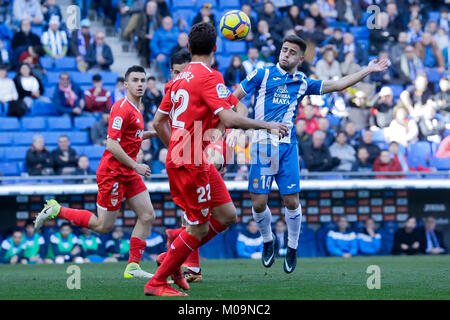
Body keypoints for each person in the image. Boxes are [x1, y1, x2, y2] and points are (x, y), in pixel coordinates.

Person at [149, 22, 287, 296]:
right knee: (198, 228)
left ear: (189, 49)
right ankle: (157, 281)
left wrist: (177, 147)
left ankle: (177, 246)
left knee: (227, 215)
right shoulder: (210, 77)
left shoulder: (177, 79)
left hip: (189, 157)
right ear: (215, 48)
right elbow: (228, 117)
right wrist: (266, 125)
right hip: (190, 161)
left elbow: (157, 122)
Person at [231, 33, 388, 271]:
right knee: (259, 203)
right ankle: (268, 240)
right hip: (262, 145)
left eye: (292, 52)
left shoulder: (303, 82)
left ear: (300, 59)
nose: (286, 54)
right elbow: (234, 97)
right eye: (284, 49)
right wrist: (228, 120)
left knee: (291, 200)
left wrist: (367, 70)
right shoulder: (262, 73)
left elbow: (337, 85)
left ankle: (292, 248)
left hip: (287, 147)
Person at [35, 65, 159, 280]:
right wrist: (136, 165)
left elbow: (134, 135)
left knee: (147, 215)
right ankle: (56, 210)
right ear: (125, 84)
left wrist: (155, 133)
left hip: (127, 173)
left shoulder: (138, 109)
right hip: (112, 173)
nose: (140, 84)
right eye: (135, 80)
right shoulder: (122, 108)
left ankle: (132, 267)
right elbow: (111, 144)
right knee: (103, 226)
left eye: (142, 80)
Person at [150, 16, 180, 81]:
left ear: (172, 23)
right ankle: (168, 79)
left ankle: (176, 79)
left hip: (176, 53)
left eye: (169, 23)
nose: (167, 25)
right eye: (166, 23)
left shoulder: (177, 31)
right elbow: (153, 44)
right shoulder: (158, 32)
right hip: (163, 54)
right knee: (161, 61)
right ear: (162, 24)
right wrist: (158, 53)